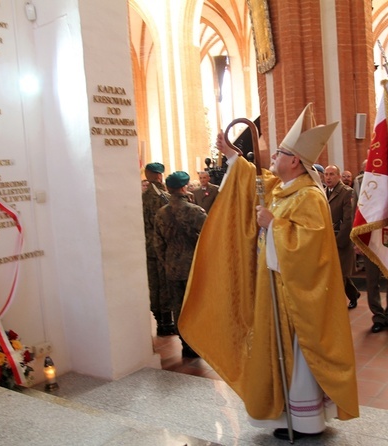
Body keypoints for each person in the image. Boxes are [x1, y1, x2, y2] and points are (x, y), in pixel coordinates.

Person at [178, 104, 359, 441]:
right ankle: (281, 411)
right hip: (274, 287)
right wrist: (233, 155)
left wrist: (275, 226)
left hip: (299, 298)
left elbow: (311, 247)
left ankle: (305, 421)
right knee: (274, 350)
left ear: (294, 161)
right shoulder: (283, 187)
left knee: (299, 356)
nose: (274, 156)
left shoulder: (309, 196)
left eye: (280, 153)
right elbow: (254, 180)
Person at [154, 171, 207, 358]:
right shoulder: (194, 211)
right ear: (184, 187)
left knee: (179, 307)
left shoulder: (161, 213)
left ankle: (185, 344)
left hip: (172, 267)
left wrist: (167, 262)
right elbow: (209, 236)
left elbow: (158, 244)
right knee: (196, 305)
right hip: (192, 266)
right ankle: (198, 343)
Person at [141, 162, 175, 336]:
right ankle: (168, 322)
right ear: (159, 176)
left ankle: (159, 320)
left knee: (153, 284)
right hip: (164, 247)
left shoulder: (142, 197)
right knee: (165, 284)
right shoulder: (164, 196)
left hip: (148, 247)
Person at [325, 164, 360, 309]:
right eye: (326, 174)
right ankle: (354, 294)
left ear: (339, 176)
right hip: (327, 238)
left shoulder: (347, 192)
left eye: (332, 174)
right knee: (336, 273)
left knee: (341, 273)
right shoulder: (323, 191)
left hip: (341, 239)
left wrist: (339, 241)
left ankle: (348, 298)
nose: (328, 177)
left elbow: (349, 220)